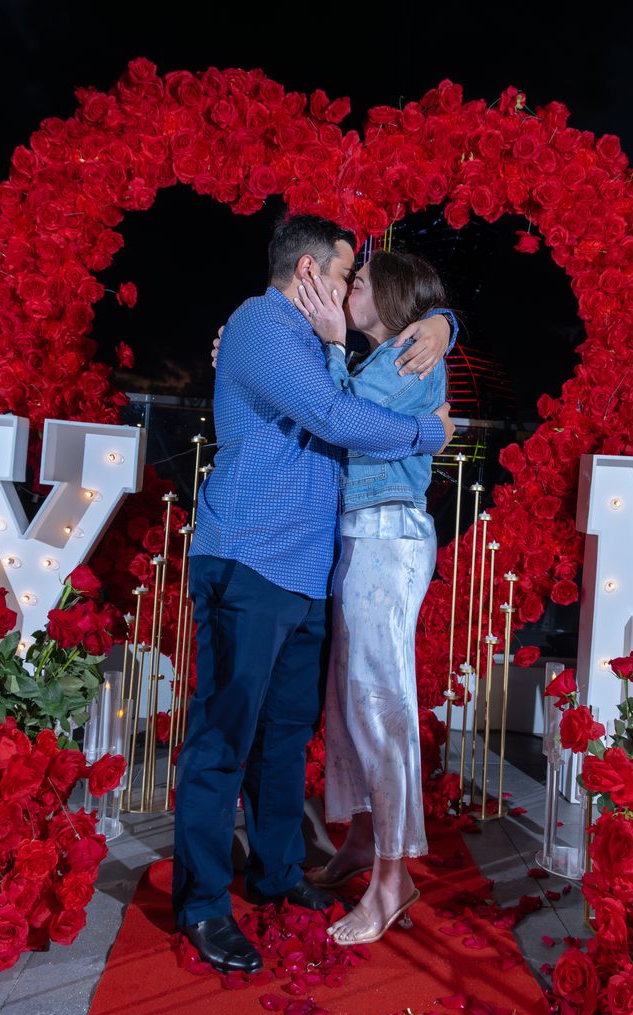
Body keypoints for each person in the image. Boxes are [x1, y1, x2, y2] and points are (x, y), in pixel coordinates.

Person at [172, 215, 456, 975]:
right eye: (340, 274)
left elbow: (382, 356)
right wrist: (431, 435)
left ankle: (273, 872)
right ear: (305, 270)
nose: (345, 289)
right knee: (225, 736)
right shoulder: (263, 324)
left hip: (307, 568)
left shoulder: (317, 340)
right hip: (251, 557)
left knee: (286, 736)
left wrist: (441, 320)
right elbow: (336, 416)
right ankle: (201, 901)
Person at [296, 251, 448, 945]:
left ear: (388, 296)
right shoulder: (391, 355)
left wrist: (330, 344)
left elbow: (343, 421)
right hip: (366, 535)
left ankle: (393, 877)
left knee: (379, 701)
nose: (347, 289)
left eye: (358, 282)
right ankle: (364, 836)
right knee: (350, 696)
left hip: (387, 535)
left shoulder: (408, 354)